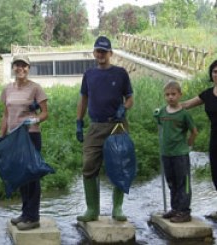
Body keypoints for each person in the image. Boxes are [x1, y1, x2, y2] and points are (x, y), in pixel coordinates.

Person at [76, 36, 134, 222]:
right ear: (94, 53)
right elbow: (83, 99)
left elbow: (130, 98)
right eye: (97, 51)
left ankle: (117, 208)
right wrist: (79, 121)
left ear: (111, 53)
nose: (100, 54)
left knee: (120, 165)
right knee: (88, 165)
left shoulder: (121, 73)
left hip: (117, 125)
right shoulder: (89, 75)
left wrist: (124, 108)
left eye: (104, 51)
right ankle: (92, 209)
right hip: (95, 126)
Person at [0, 55, 48, 230]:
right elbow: (5, 115)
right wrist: (2, 136)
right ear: (13, 68)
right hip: (14, 137)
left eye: (24, 66)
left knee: (32, 176)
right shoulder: (7, 90)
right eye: (17, 65)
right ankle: (25, 213)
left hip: (31, 136)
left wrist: (34, 120)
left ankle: (33, 217)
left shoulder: (36, 88)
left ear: (29, 68)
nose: (21, 68)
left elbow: (44, 113)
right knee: (21, 176)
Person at [155, 81, 197, 223]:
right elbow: (160, 125)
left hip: (180, 154)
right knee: (171, 182)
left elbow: (194, 131)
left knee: (183, 182)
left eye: (173, 94)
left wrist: (190, 142)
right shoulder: (161, 111)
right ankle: (175, 208)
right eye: (167, 95)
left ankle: (184, 211)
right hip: (166, 154)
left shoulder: (184, 114)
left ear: (180, 95)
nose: (170, 97)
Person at [182, 60, 217, 216]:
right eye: (215, 71)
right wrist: (167, 107)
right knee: (216, 174)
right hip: (215, 139)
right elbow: (187, 104)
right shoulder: (207, 94)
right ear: (211, 74)